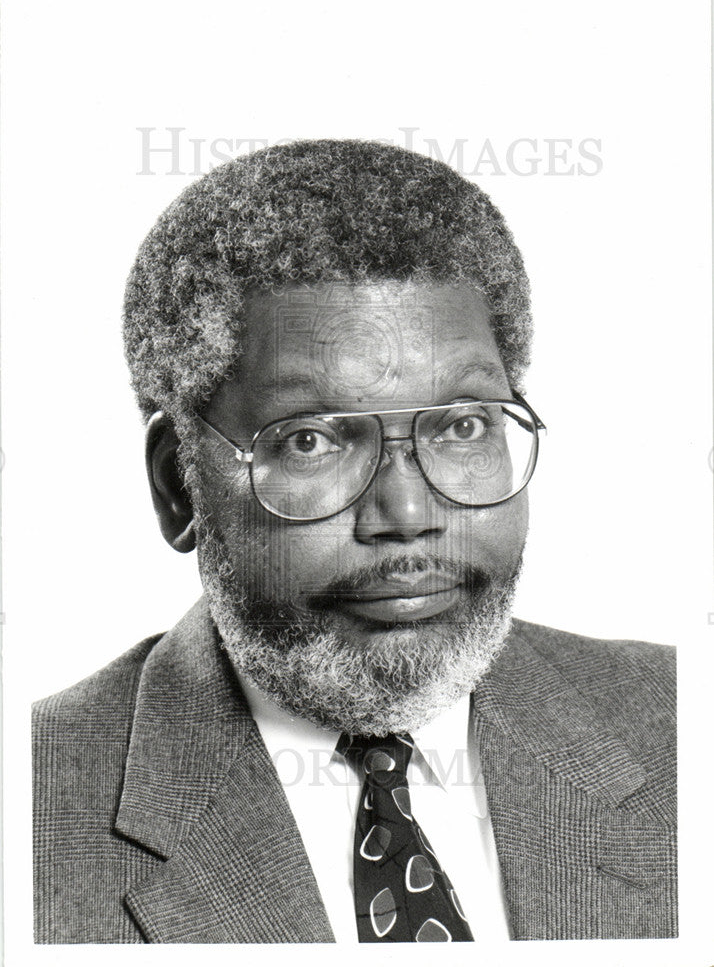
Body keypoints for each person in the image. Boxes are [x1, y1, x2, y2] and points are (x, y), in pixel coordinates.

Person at [32, 139, 676, 944]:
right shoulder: (31, 819)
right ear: (177, 483)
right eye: (312, 440)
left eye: (463, 424)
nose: (407, 512)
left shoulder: (683, 727)